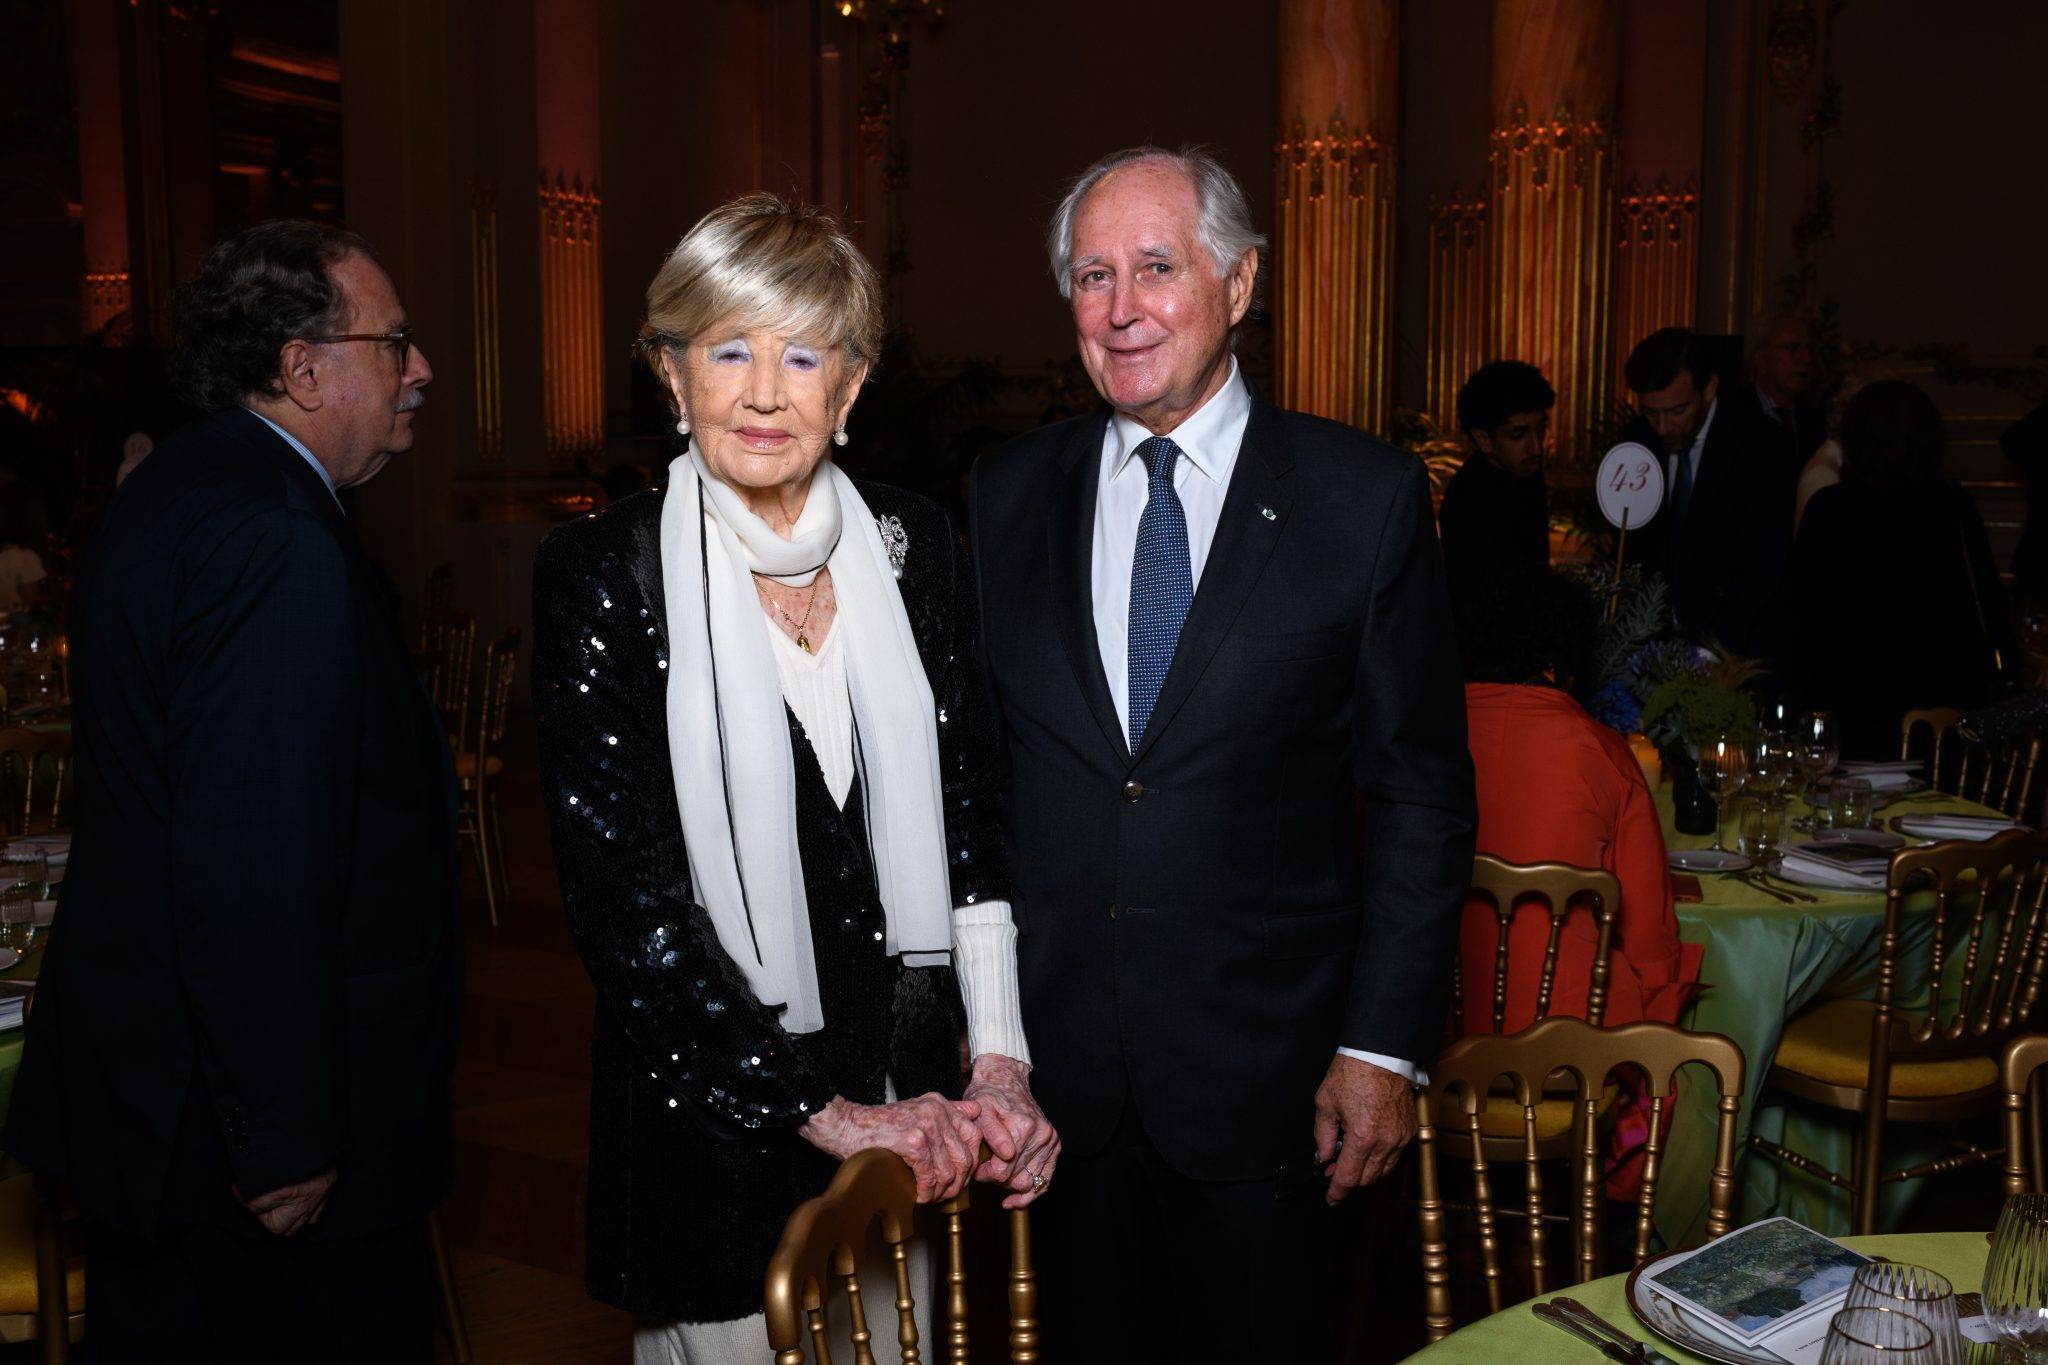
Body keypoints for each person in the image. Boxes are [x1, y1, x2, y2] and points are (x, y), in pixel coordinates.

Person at [971, 146, 1476, 1363]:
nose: (1121, 307)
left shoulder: (1360, 500)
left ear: (1239, 285)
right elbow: (978, 782)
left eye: (1156, 266)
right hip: (1058, 1099)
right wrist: (984, 1037)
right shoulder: (1003, 495)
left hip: (1278, 1094)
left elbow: (1418, 795)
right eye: (1092, 275)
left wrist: (1378, 1048)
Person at [531, 194, 1053, 1364]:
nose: (765, 393)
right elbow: (626, 909)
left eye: (802, 353)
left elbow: (968, 808)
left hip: (905, 1107)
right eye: (727, 350)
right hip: (714, 1125)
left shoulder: (912, 544)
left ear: (851, 388)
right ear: (671, 376)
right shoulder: (601, 574)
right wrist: (824, 1115)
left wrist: (999, 1060)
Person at [4, 220, 460, 1362]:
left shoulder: (181, 488)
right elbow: (256, 856)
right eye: (393, 342)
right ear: (301, 367)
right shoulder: (273, 538)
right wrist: (288, 1137)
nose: (420, 369)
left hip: (164, 1106)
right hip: (245, 1136)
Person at [1454, 568, 1701, 1035]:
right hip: (1573, 1041)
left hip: (1431, 1039)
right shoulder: (1604, 752)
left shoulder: (1419, 740)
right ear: (1561, 657)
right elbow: (1648, 933)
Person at [1783, 380, 2016, 759]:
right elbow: (1987, 605)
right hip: (1938, 714)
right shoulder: (1952, 505)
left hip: (1846, 707)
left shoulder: (1830, 509)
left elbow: (1800, 614)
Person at [1620, 326, 1794, 660]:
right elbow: (1634, 552)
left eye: (1677, 411)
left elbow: (1763, 568)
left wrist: (1711, 654)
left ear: (1710, 389)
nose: (1663, 427)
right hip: (1654, 650)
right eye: (1651, 413)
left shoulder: (1761, 445)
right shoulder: (1635, 441)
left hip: (1734, 650)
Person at [1437, 359, 1555, 601]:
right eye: (1518, 434)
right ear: (1484, 439)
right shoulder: (1469, 499)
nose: (1536, 448)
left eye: (1541, 429)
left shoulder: (1526, 474)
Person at [1729, 314, 1827, 468]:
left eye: (1809, 349)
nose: (1807, 358)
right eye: (1792, 348)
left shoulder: (1817, 418)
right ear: (1761, 359)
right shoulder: (1731, 417)